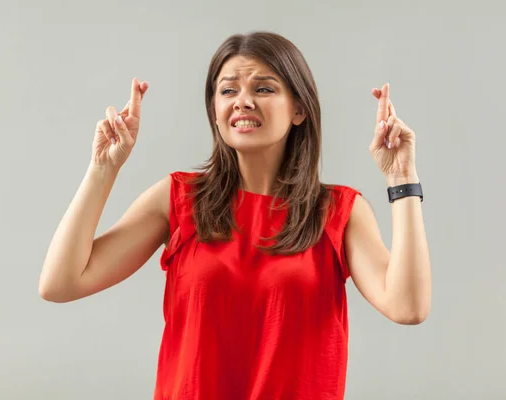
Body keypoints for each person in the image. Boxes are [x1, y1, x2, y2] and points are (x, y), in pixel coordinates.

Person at [39, 31, 431, 400]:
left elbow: (408, 307)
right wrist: (103, 169)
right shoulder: (177, 199)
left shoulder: (338, 211)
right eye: (228, 90)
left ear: (299, 109)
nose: (242, 101)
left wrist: (402, 178)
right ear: (214, 109)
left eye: (263, 88)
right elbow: (60, 283)